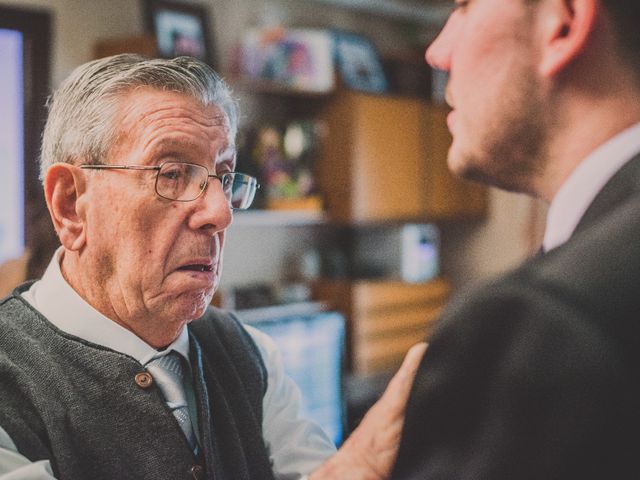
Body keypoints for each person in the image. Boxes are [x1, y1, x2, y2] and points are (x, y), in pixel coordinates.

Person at [0, 53, 425, 480]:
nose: (220, 212)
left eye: (225, 177)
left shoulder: (250, 355)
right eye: (171, 173)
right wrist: (362, 463)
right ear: (71, 204)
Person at [311, 0, 640, 478]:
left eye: (464, 7)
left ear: (562, 23)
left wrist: (353, 466)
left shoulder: (539, 328)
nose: (438, 52)